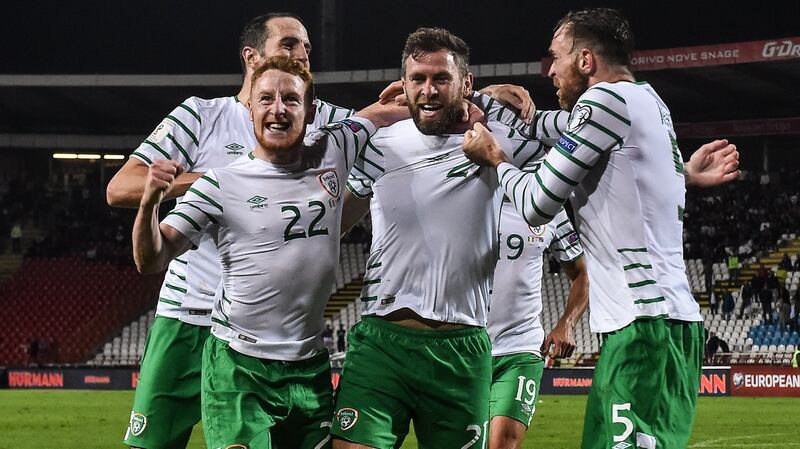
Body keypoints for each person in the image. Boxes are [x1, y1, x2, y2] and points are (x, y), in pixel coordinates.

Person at [333, 25, 730, 449]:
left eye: (441, 79)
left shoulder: (500, 139)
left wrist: (676, 171)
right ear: (403, 84)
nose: (428, 90)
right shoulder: (379, 143)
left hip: (463, 348)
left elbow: (592, 158)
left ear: (464, 84)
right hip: (382, 340)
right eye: (418, 79)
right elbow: (336, 222)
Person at [461, 8, 740, 448]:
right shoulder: (649, 100)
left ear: (585, 60)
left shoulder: (601, 101)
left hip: (641, 324)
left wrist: (496, 158)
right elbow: (552, 129)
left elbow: (537, 204)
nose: (549, 69)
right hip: (670, 322)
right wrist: (490, 99)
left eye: (556, 57)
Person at [109, 13, 356, 449]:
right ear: (251, 57)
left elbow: (402, 113)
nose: (302, 54)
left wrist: (483, 99)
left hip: (270, 335)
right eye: (289, 45)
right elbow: (120, 187)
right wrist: (224, 178)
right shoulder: (201, 115)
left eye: (306, 48)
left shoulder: (317, 117)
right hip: (189, 315)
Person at [131, 56, 404, 449]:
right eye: (266, 99)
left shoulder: (336, 146)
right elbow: (150, 260)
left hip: (309, 365)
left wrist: (489, 96)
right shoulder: (218, 184)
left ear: (309, 111)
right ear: (251, 108)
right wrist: (149, 205)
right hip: (239, 368)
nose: (278, 109)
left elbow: (417, 101)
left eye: (291, 100)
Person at [487, 200, 588, 449]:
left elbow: (581, 274)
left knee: (504, 443)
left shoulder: (548, 205)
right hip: (466, 345)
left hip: (520, 347)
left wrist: (567, 323)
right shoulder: (469, 192)